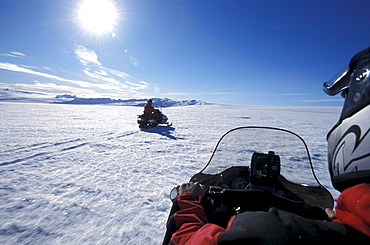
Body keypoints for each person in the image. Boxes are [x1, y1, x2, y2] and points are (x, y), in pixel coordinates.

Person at [169, 47, 370, 244]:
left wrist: (187, 201)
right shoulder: (346, 230)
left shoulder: (271, 232)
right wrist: (339, 221)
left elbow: (187, 240)